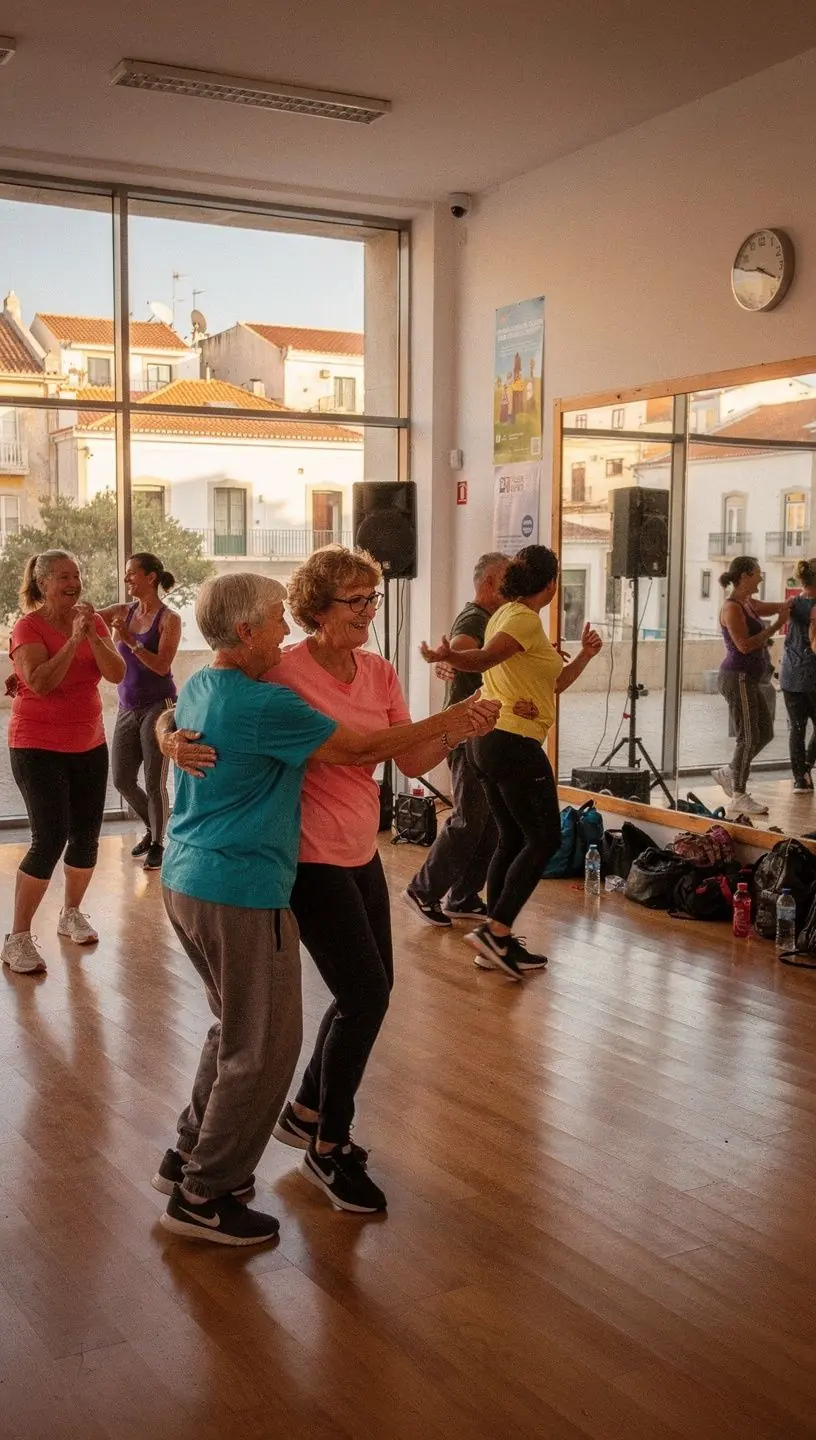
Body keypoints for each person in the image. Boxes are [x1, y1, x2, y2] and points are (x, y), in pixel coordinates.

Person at [154, 570, 498, 1243]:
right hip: (255, 876)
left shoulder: (224, 678)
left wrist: (453, 733)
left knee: (258, 1022)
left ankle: (202, 1151)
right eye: (356, 599)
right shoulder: (273, 684)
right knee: (267, 1044)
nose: (370, 608)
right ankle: (231, 1179)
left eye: (374, 597)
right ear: (256, 628)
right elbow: (361, 748)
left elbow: (398, 750)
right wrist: (454, 712)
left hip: (250, 864)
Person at [421, 544, 602, 979]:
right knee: (544, 841)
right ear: (552, 584)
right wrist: (448, 657)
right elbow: (483, 658)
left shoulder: (511, 617)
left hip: (494, 741)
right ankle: (495, 932)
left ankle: (494, 943)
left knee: (511, 840)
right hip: (512, 743)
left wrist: (586, 654)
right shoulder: (519, 618)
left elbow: (553, 683)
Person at [2, 550, 126, 976]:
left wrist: (93, 635)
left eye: (76, 575)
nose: (72, 583)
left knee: (87, 836)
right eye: (61, 577)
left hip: (89, 741)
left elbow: (116, 674)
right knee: (49, 836)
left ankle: (71, 913)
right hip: (36, 744)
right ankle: (17, 937)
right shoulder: (27, 627)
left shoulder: (92, 621)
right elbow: (40, 682)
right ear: (42, 583)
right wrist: (73, 641)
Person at [402, 551, 509, 926]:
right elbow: (462, 647)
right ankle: (422, 890)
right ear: (491, 583)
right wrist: (449, 658)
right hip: (469, 735)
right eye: (507, 580)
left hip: (489, 733)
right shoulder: (474, 618)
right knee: (469, 819)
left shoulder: (496, 619)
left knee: (491, 822)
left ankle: (463, 895)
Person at [98, 553, 181, 871]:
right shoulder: (122, 611)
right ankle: (155, 828)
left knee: (154, 780)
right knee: (121, 779)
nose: (126, 579)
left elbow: (161, 667)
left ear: (150, 577)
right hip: (127, 707)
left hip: (159, 707)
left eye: (132, 573)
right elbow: (90, 619)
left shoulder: (169, 619)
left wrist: (131, 641)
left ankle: (159, 843)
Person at [712, 556, 789, 818]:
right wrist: (778, 627)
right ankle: (739, 795)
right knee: (748, 736)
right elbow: (744, 645)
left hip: (751, 678)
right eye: (758, 573)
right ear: (745, 576)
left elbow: (772, 606)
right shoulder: (732, 607)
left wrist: (791, 604)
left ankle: (730, 771)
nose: (761, 577)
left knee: (764, 732)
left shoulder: (748, 603)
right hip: (738, 677)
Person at [779, 558, 816, 793]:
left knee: (797, 727)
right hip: (812, 673)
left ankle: (799, 778)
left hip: (790, 672)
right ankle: (805, 767)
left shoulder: (791, 602)